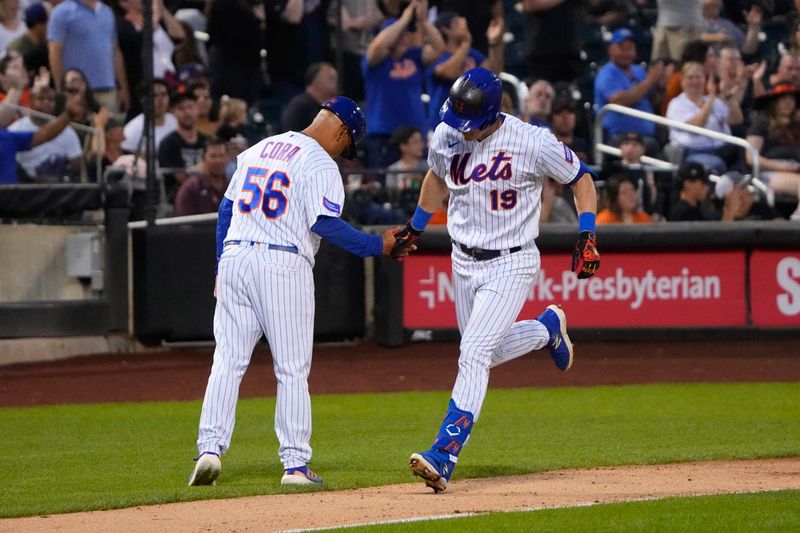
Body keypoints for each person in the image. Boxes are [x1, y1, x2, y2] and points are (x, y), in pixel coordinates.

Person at [391, 67, 599, 493]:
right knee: (484, 352)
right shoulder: (447, 133)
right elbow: (436, 176)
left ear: (492, 112)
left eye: (470, 122)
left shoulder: (531, 140)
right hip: (462, 260)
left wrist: (588, 232)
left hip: (512, 260)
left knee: (473, 352)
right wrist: (415, 226)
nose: (461, 130)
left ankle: (443, 453)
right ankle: (546, 329)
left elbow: (581, 178)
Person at [187, 96, 409, 487]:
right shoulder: (321, 162)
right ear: (340, 130)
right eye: (347, 143)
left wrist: (221, 264)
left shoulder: (258, 148)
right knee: (291, 368)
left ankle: (209, 449)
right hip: (283, 263)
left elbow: (226, 211)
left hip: (237, 257)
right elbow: (326, 223)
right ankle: (295, 464)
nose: (344, 152)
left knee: (228, 360)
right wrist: (379, 246)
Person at [361, 0, 444, 169]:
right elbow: (378, 46)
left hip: (414, 134)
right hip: (384, 132)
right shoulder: (375, 60)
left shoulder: (414, 56)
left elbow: (438, 48)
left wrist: (423, 22)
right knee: (387, 185)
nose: (404, 36)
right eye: (400, 33)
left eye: (406, 33)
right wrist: (405, 18)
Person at [425, 10, 504, 132]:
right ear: (446, 29)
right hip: (442, 124)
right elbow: (447, 73)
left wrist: (493, 43)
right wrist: (466, 43)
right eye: (457, 23)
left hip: (469, 123)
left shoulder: (472, 54)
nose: (464, 24)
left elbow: (493, 74)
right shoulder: (437, 55)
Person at [48, 0, 130, 114]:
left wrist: (123, 88)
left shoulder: (107, 12)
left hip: (108, 91)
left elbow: (115, 52)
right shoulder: (62, 12)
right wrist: (61, 89)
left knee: (109, 129)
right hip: (77, 92)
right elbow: (54, 53)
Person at [594, 28, 666, 154]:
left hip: (648, 134)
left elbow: (654, 99)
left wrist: (661, 84)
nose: (626, 52)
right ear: (610, 50)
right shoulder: (607, 73)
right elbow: (618, 101)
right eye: (622, 48)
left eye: (630, 48)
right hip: (620, 137)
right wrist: (650, 81)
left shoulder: (639, 70)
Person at [665, 61, 743, 174]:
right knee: (715, 164)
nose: (694, 81)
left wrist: (727, 93)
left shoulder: (713, 101)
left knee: (745, 154)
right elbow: (697, 125)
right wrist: (711, 96)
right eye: (690, 78)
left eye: (698, 77)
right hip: (693, 151)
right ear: (682, 82)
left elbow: (737, 119)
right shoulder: (677, 104)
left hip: (722, 148)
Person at [0, 88, 87, 184]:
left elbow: (43, 135)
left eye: (50, 100)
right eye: (41, 99)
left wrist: (69, 115)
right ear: (31, 101)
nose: (46, 102)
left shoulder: (7, 137)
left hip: (18, 196)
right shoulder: (14, 129)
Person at [745, 83, 800, 220]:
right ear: (774, 103)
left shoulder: (797, 125)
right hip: (768, 173)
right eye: (783, 99)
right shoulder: (761, 123)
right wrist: (782, 167)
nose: (788, 103)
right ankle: (797, 219)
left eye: (791, 99)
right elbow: (751, 157)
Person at [158, 89, 208, 197]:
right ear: (173, 112)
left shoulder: (207, 140)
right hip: (179, 195)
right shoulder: (168, 143)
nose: (187, 112)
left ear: (197, 109)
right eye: (181, 108)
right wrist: (206, 166)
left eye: (190, 107)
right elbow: (181, 178)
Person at [173, 137, 229, 216]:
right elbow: (183, 222)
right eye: (213, 156)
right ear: (204, 158)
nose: (218, 160)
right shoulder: (191, 187)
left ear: (227, 158)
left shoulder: (232, 185)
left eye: (221, 156)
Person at [668, 161, 741, 221]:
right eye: (702, 183)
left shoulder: (696, 209)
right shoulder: (684, 213)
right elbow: (710, 238)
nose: (706, 188)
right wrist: (730, 211)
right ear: (688, 184)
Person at [121, 79, 177, 154]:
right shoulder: (134, 127)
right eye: (154, 95)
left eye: (164, 94)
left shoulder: (175, 120)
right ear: (143, 100)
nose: (160, 100)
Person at [280, 62, 339, 133]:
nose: (337, 82)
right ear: (316, 81)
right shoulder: (299, 106)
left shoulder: (332, 107)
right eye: (331, 78)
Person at [8, 3, 49, 78]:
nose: (47, 27)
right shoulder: (17, 47)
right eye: (45, 23)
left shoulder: (48, 44)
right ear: (38, 25)